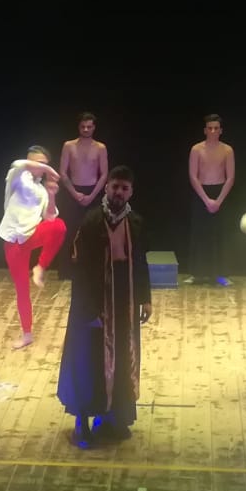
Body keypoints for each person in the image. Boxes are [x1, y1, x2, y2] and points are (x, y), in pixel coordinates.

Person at [57, 166, 152, 446]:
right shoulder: (91, 222)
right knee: (89, 359)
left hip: (124, 298)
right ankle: (82, 423)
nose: (118, 192)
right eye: (114, 187)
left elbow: (140, 261)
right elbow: (80, 271)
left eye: (124, 188)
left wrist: (145, 298)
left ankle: (113, 417)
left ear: (130, 192)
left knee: (122, 355)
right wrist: (89, 311)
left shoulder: (135, 222)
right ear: (106, 187)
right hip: (94, 300)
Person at [0, 146, 67, 349]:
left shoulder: (42, 190)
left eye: (43, 164)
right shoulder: (17, 178)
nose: (39, 167)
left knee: (59, 226)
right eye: (36, 163)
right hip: (12, 240)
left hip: (31, 235)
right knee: (22, 289)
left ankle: (41, 267)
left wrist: (51, 194)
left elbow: (50, 217)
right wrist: (48, 169)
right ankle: (27, 333)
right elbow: (18, 164)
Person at [187, 114, 236, 285]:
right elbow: (193, 176)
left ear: (221, 130)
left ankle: (221, 274)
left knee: (219, 234)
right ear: (205, 130)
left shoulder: (227, 150)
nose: (213, 131)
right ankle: (197, 273)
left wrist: (219, 200)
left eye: (216, 128)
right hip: (201, 192)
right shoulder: (196, 149)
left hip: (220, 192)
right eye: (210, 128)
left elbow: (230, 177)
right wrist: (206, 200)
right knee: (200, 233)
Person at [58, 112, 109, 269]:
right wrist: (75, 194)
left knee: (94, 230)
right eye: (83, 126)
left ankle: (93, 267)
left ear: (94, 127)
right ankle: (67, 269)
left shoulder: (100, 147)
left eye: (89, 126)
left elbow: (104, 174)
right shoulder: (69, 145)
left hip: (93, 191)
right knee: (70, 230)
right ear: (78, 127)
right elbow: (63, 172)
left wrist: (92, 195)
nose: (86, 129)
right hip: (73, 191)